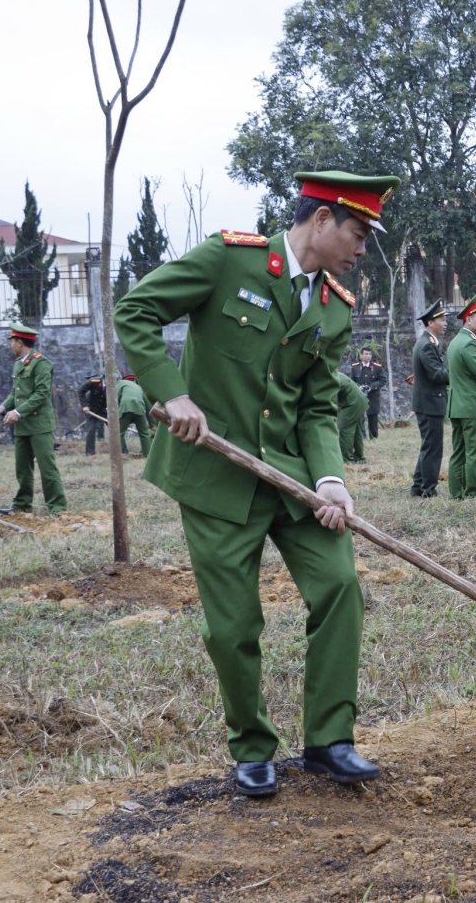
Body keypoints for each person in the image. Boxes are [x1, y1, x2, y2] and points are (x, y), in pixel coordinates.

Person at [114, 168, 400, 797]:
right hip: (217, 475)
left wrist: (330, 480)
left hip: (293, 479)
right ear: (321, 220)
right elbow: (134, 310)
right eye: (356, 233)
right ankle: (252, 748)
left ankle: (329, 740)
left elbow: (317, 405)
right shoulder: (228, 260)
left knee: (340, 586)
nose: (361, 249)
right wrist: (172, 393)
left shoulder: (333, 308)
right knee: (233, 625)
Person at [0, 324, 67, 516]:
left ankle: (57, 507)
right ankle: (22, 505)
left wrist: (18, 412)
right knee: (22, 468)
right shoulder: (18, 363)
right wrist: (4, 407)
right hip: (22, 426)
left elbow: (41, 394)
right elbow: (16, 393)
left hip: (39, 425)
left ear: (19, 342)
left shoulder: (42, 363)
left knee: (47, 467)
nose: (10, 345)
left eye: (12, 341)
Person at [446, 295, 476, 499]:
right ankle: (473, 494)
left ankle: (457, 493)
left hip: (457, 406)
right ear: (468, 318)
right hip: (473, 406)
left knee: (459, 453)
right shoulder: (469, 343)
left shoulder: (456, 341)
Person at [410, 300, 449, 498]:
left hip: (428, 403)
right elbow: (437, 375)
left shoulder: (428, 342)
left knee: (428, 446)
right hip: (430, 403)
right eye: (442, 319)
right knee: (433, 448)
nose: (445, 323)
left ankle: (418, 487)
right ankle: (428, 490)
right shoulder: (426, 345)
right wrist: (455, 372)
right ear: (430, 322)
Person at [353, 346, 387, 439]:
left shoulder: (377, 367)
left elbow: (383, 380)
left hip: (373, 396)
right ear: (361, 355)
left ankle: (373, 437)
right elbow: (351, 381)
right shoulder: (355, 368)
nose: (368, 356)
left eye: (370, 354)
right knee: (360, 417)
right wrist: (358, 387)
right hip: (359, 396)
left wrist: (372, 387)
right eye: (366, 354)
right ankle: (362, 437)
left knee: (373, 417)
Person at [336, 371, 368, 463]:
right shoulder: (335, 374)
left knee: (344, 429)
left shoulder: (330, 378)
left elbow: (331, 400)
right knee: (356, 430)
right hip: (358, 400)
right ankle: (359, 457)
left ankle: (347, 459)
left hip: (352, 403)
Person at [117, 373, 152, 455]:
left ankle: (119, 454)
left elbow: (116, 398)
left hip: (126, 408)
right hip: (140, 409)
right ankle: (147, 454)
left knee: (119, 433)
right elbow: (148, 406)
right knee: (144, 433)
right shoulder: (139, 388)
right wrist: (152, 423)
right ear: (135, 381)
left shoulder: (120, 383)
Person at [78, 373, 108, 455]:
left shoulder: (116, 384)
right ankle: (90, 453)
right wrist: (84, 406)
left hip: (105, 409)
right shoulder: (94, 381)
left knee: (116, 428)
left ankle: (121, 451)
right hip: (91, 409)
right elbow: (81, 391)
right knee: (91, 430)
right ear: (104, 378)